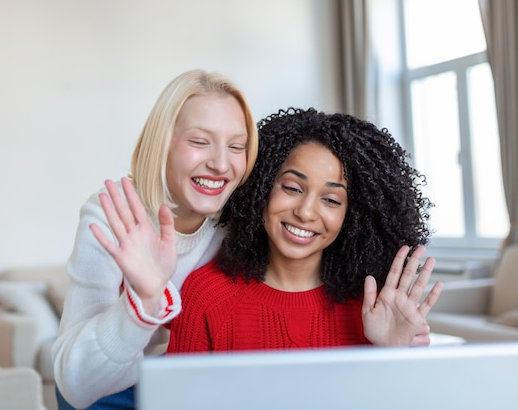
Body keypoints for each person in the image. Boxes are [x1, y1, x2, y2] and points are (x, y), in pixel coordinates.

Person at [51, 69, 258, 409]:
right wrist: (142, 302)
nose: (221, 163)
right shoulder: (113, 214)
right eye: (199, 141)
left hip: (182, 383)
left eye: (236, 146)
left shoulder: (238, 223)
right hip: (106, 392)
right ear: (162, 144)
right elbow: (76, 385)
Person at [165, 107, 443, 353]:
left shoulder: (374, 310)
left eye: (331, 200)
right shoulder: (206, 295)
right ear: (261, 188)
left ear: (353, 216)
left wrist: (393, 356)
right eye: (292, 188)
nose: (305, 212)